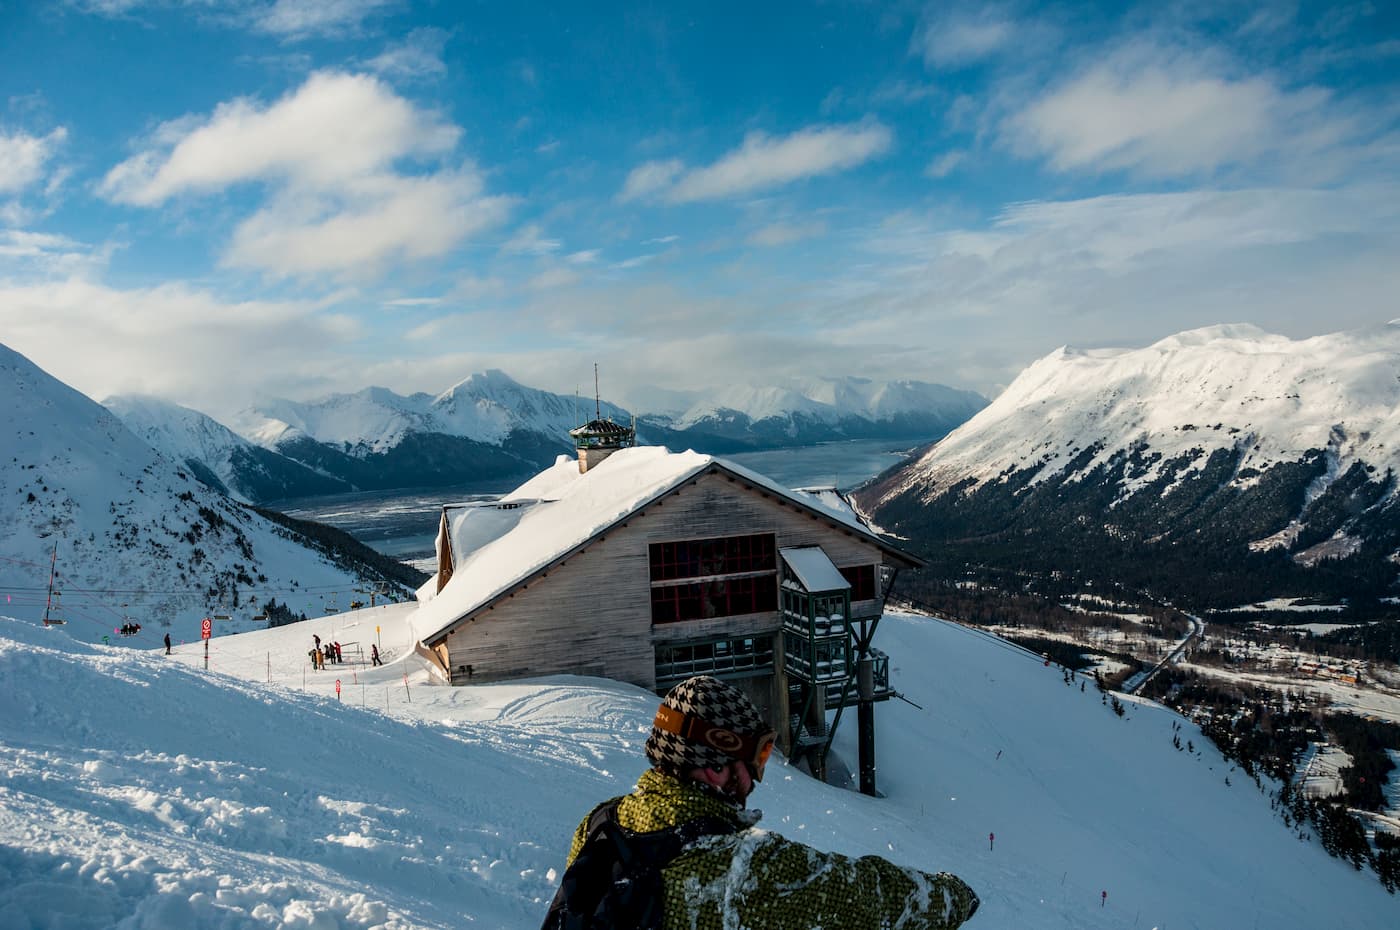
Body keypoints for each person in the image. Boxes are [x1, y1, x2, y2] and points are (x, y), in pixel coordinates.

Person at [550, 675, 979, 929]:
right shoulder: (743, 867)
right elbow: (871, 899)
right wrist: (956, 894)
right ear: (715, 765)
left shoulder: (601, 824)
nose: (754, 779)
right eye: (753, 760)